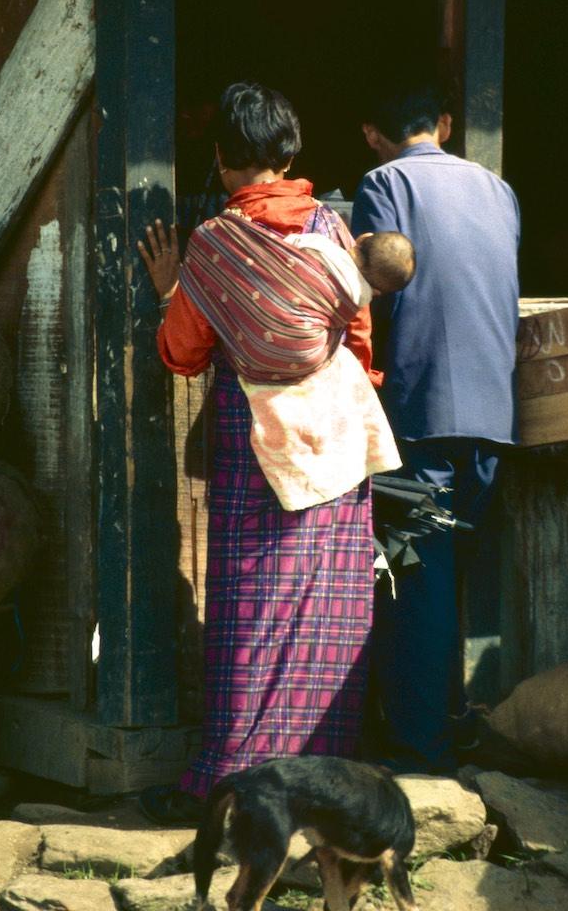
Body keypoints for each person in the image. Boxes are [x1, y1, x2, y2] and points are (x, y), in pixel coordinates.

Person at [137, 82, 387, 824]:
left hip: (257, 449)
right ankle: (321, 783)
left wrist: (169, 291)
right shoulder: (334, 231)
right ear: (289, 151)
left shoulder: (216, 243)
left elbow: (182, 355)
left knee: (250, 612)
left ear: (221, 159)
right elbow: (362, 342)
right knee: (327, 611)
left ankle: (230, 787)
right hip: (336, 444)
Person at [351, 76, 520, 776]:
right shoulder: (498, 189)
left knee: (413, 578)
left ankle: (420, 749)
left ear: (372, 134)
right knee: (445, 577)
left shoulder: (383, 182)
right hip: (494, 416)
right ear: (444, 125)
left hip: (421, 411)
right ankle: (450, 722)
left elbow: (377, 291)